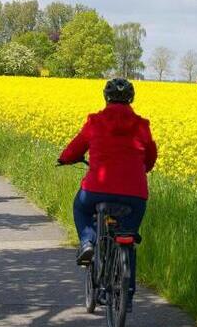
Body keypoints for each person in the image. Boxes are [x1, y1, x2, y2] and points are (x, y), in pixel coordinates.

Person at [58, 78, 157, 307]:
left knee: (80, 207)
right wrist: (142, 168)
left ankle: (88, 242)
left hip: (97, 190)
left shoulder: (95, 122)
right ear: (131, 99)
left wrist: (65, 159)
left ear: (106, 97)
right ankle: (127, 297)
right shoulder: (142, 125)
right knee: (128, 236)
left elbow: (76, 147)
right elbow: (150, 156)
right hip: (135, 194)